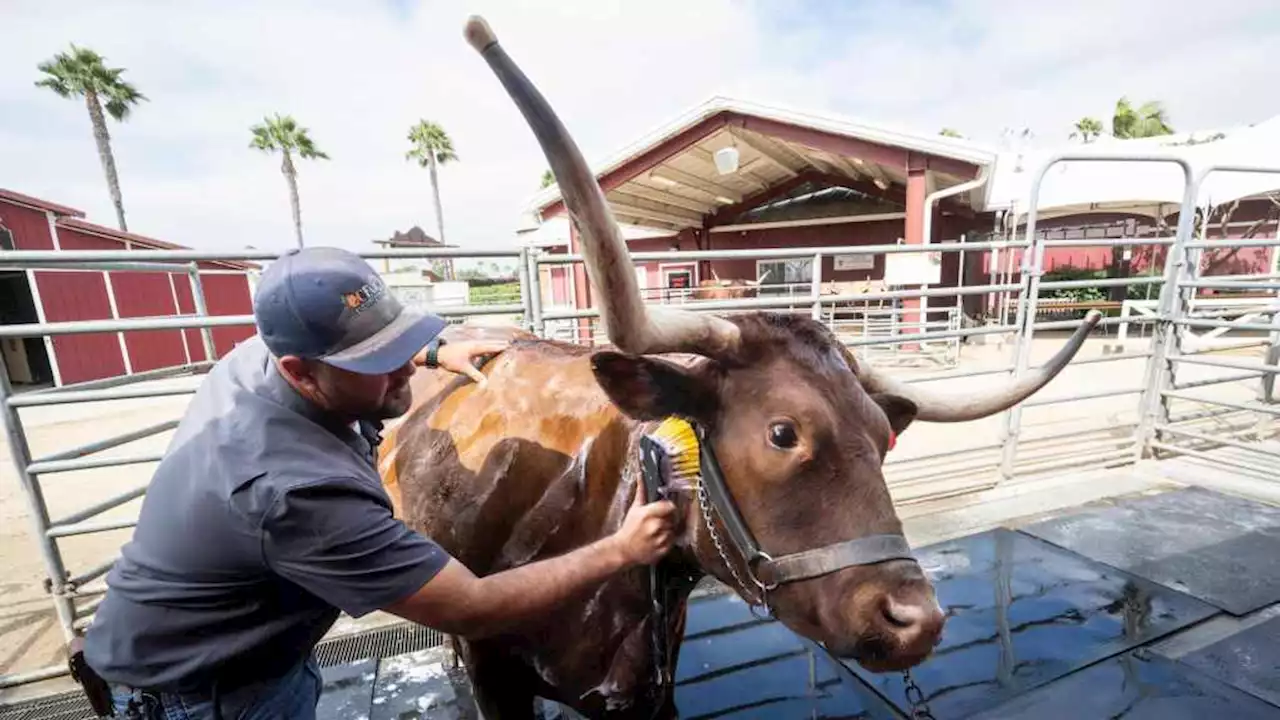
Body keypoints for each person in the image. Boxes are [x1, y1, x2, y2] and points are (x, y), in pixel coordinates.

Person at [81, 246, 678, 719]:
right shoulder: (300, 494)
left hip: (243, 656)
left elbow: (363, 356)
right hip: (204, 698)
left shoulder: (256, 358)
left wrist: (436, 351)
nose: (403, 367)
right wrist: (620, 548)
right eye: (374, 361)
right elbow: (473, 608)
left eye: (402, 339)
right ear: (301, 371)